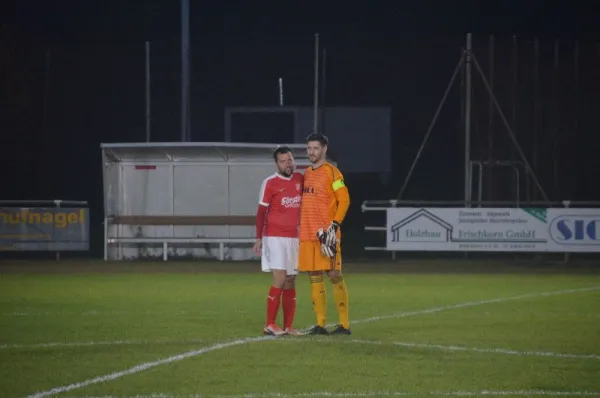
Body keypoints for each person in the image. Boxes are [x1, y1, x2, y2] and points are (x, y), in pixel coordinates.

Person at [298, 133, 351, 335]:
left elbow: (344, 200)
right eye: (309, 148)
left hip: (326, 234)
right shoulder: (306, 174)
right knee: (314, 275)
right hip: (308, 233)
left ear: (324, 149)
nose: (311, 152)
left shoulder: (333, 173)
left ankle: (344, 325)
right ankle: (320, 325)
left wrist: (335, 225)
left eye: (315, 148)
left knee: (334, 274)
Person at [254, 146, 304, 336]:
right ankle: (269, 324)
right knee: (281, 278)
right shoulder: (270, 183)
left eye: (289, 160)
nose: (287, 164)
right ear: (277, 164)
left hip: (293, 238)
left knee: (291, 280)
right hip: (274, 237)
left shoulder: (300, 179)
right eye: (283, 161)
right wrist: (258, 237)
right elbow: (261, 213)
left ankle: (288, 326)